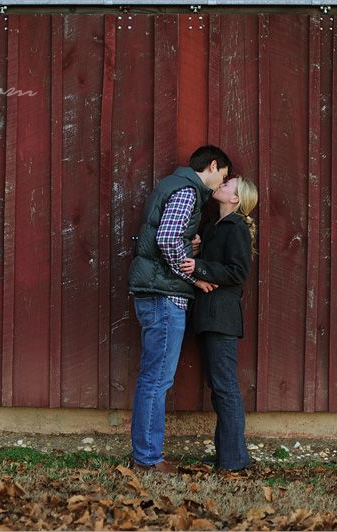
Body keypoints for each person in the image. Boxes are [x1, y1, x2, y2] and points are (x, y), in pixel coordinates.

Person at [127, 145, 232, 474]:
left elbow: (169, 236)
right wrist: (193, 276)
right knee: (157, 380)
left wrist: (191, 244)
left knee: (152, 378)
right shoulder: (188, 191)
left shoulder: (174, 186)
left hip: (155, 292)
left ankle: (145, 455)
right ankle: (147, 459)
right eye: (223, 176)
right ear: (212, 166)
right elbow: (167, 239)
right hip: (164, 296)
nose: (221, 183)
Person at [180, 176, 258, 472]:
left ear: (235, 199)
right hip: (208, 316)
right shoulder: (214, 226)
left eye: (227, 186)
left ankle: (234, 460)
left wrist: (199, 266)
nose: (221, 185)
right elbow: (215, 263)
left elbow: (238, 272)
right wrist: (197, 252)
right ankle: (227, 455)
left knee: (225, 387)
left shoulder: (237, 227)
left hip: (222, 317)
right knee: (219, 386)